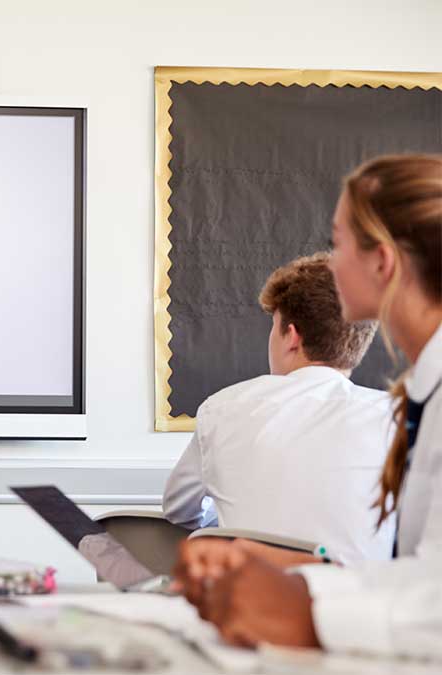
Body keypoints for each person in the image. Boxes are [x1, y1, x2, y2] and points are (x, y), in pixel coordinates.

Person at [173, 154, 442, 660]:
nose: (329, 260)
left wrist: (303, 604)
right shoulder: (418, 395)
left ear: (381, 262)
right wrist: (314, 581)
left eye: (337, 242)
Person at [163, 253, 393, 564]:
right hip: (361, 607)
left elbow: (177, 510)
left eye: (274, 327)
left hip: (250, 604)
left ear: (292, 336)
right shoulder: (396, 418)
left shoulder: (222, 409)